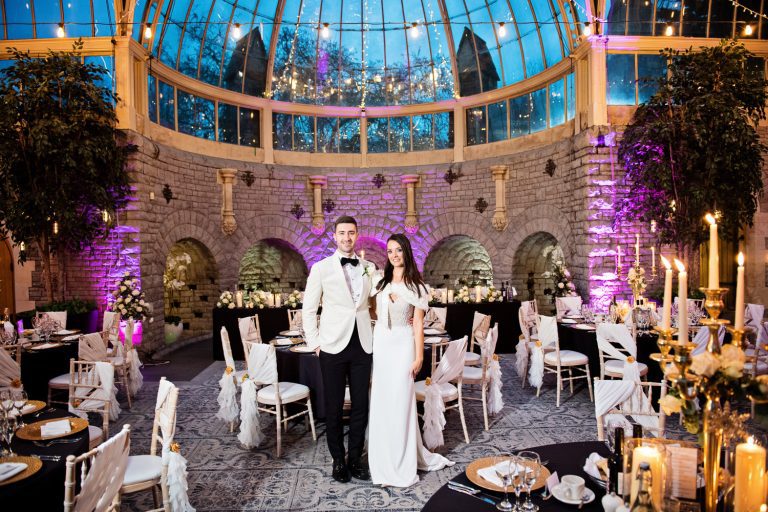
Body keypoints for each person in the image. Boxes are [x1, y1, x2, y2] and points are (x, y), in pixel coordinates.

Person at [368, 233, 454, 487]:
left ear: (406, 252)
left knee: (401, 402)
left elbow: (417, 324)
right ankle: (383, 462)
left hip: (403, 345)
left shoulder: (417, 286)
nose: (394, 255)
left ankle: (402, 463)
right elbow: (372, 309)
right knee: (383, 402)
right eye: (390, 251)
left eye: (398, 250)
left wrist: (418, 357)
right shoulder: (380, 282)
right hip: (382, 343)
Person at [302, 216, 374, 483]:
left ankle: (354, 458)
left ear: (357, 235)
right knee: (332, 406)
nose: (346, 237)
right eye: (342, 233)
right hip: (332, 346)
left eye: (351, 233)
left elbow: (382, 295)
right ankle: (337, 460)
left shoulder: (369, 266)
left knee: (360, 405)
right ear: (334, 236)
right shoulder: (320, 268)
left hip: (363, 344)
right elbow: (308, 309)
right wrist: (315, 344)